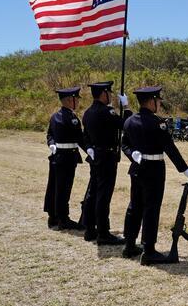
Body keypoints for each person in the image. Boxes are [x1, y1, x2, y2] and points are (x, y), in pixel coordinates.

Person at [121, 86, 188, 265]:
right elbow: (169, 147)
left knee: (135, 206)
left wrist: (132, 155)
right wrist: (184, 169)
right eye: (158, 101)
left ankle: (129, 245)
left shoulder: (130, 121)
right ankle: (149, 250)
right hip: (153, 169)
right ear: (151, 101)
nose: (160, 104)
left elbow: (124, 144)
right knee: (151, 208)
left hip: (137, 169)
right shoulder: (157, 123)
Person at [80, 81, 131, 244]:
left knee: (92, 192)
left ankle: (89, 229)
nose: (111, 96)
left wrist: (89, 148)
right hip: (107, 158)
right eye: (109, 93)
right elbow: (126, 125)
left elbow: (85, 136)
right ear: (103, 94)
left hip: (95, 156)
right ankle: (103, 232)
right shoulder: (107, 112)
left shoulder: (87, 113)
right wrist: (127, 108)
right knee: (103, 195)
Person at [44, 87, 88, 231]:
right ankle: (63, 219)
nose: (77, 102)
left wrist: (52, 145)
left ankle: (53, 217)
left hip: (57, 156)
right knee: (63, 188)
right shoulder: (73, 118)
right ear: (70, 100)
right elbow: (80, 138)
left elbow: (49, 135)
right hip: (67, 157)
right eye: (76, 99)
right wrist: (90, 150)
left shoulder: (55, 116)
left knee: (54, 186)